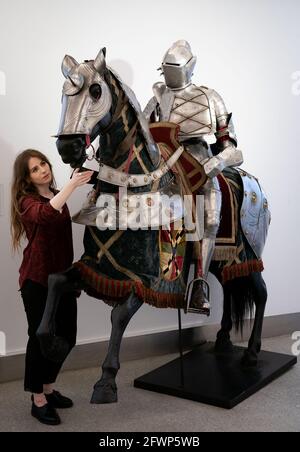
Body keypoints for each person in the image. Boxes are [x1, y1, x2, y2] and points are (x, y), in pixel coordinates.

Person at [144, 40, 244, 314]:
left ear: (189, 67)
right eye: (166, 69)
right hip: (165, 166)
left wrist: (217, 161)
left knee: (210, 219)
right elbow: (142, 143)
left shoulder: (211, 98)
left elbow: (233, 150)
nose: (169, 73)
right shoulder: (156, 101)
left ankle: (199, 283)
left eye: (174, 67)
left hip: (200, 166)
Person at [10, 149, 93, 425]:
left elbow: (57, 212)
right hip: (37, 282)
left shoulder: (57, 195)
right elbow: (45, 215)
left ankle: (48, 387)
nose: (43, 170)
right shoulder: (26, 202)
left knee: (67, 335)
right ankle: (38, 399)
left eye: (43, 164)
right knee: (40, 339)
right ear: (27, 178)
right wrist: (72, 184)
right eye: (34, 169)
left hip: (62, 279)